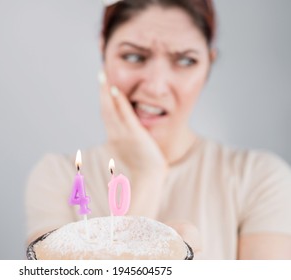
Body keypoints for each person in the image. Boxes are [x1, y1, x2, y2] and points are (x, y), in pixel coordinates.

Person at [25, 0, 291, 259]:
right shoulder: (58, 177)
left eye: (186, 61)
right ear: (103, 52)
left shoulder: (261, 181)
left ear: (208, 64)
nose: (155, 86)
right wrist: (147, 174)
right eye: (133, 56)